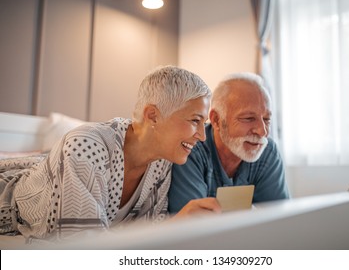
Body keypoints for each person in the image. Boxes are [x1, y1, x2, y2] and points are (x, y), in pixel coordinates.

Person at [0, 65, 221, 242]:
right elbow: (83, 249)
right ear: (152, 115)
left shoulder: (162, 162)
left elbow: (147, 237)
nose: (202, 136)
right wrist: (175, 225)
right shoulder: (85, 145)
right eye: (195, 121)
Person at [168, 72, 290, 213]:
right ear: (216, 120)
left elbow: (279, 219)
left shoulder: (267, 152)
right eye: (249, 118)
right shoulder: (190, 150)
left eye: (267, 119)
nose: (262, 132)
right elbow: (192, 227)